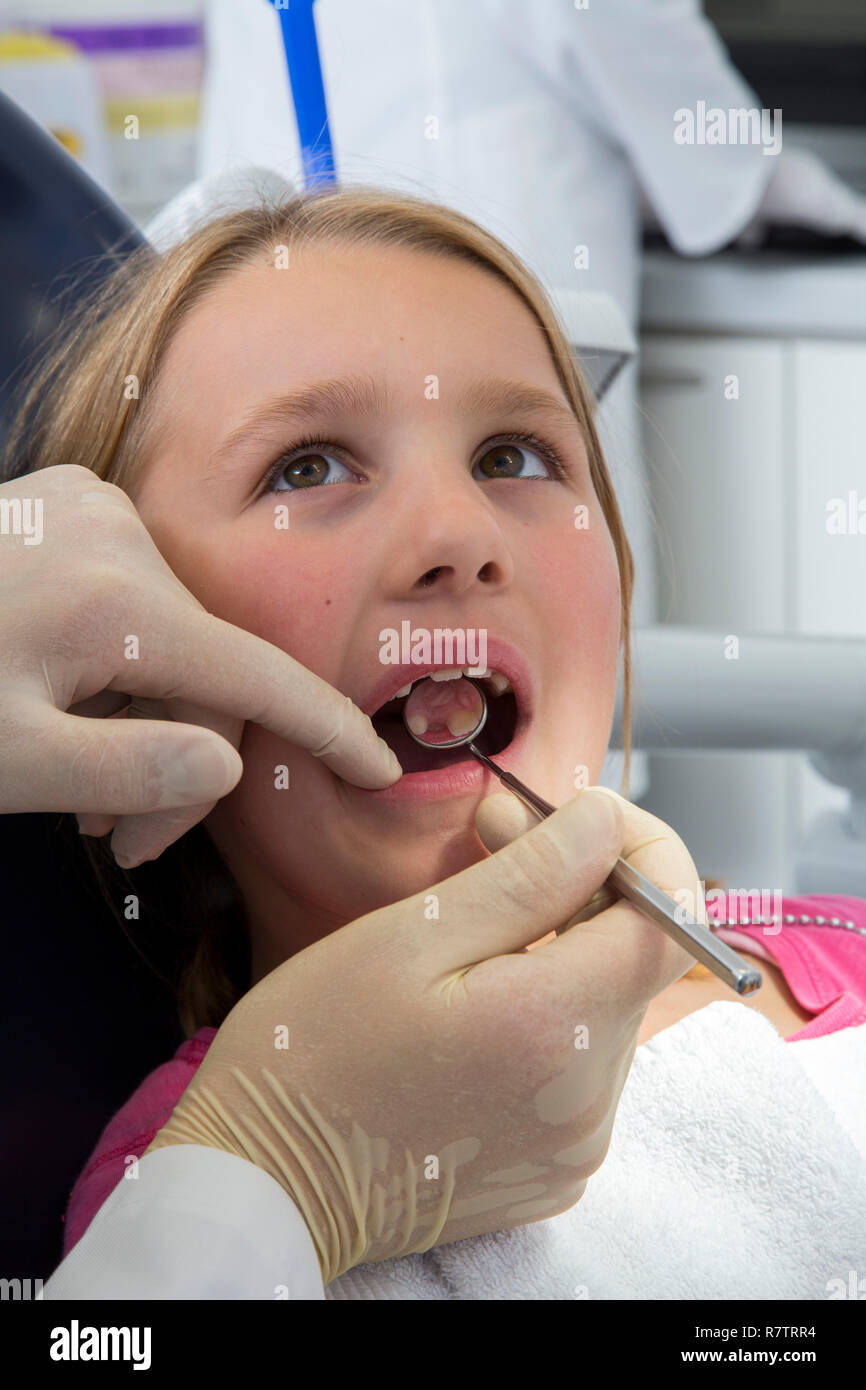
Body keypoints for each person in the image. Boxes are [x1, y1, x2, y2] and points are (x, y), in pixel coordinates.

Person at [1, 185, 861, 1299]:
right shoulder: (190, 1175)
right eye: (305, 467)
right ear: (136, 668)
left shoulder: (836, 952)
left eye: (512, 454)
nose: (456, 535)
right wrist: (291, 1165)